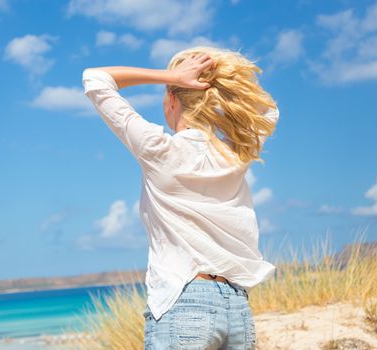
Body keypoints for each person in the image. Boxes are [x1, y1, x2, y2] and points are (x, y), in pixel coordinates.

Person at [82, 45, 279, 350]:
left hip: (184, 299)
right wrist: (222, 82)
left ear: (172, 98)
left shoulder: (159, 150)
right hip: (237, 306)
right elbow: (268, 111)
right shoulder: (237, 154)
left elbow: (95, 78)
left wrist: (171, 75)